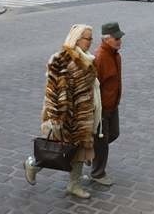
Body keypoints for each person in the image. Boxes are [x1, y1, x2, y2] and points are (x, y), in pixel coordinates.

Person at [23, 24, 102, 199]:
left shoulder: (87, 58)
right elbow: (55, 93)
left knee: (81, 151)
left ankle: (74, 185)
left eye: (91, 38)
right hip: (67, 116)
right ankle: (33, 164)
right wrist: (57, 119)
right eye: (87, 38)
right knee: (56, 151)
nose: (90, 42)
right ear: (76, 38)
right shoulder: (62, 60)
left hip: (84, 115)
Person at [91, 22, 124, 186]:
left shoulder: (115, 54)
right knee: (102, 143)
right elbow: (93, 86)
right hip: (102, 108)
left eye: (120, 37)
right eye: (116, 38)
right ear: (106, 39)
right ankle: (98, 173)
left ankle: (91, 153)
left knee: (114, 134)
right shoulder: (100, 57)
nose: (120, 40)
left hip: (113, 105)